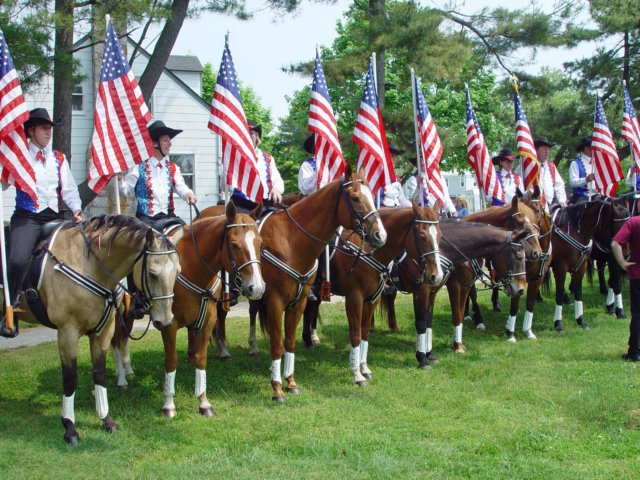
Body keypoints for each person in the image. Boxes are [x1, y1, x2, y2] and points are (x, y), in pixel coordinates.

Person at [1, 108, 84, 338]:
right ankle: (12, 305)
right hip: (27, 216)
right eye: (44, 128)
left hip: (53, 217)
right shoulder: (18, 157)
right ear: (32, 130)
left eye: (50, 128)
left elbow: (69, 189)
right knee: (17, 259)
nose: (49, 132)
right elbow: (4, 182)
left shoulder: (58, 158)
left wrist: (77, 209)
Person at [119, 120, 196, 231]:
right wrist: (120, 180)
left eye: (169, 141)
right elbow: (125, 190)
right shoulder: (138, 167)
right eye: (165, 140)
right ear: (154, 144)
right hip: (146, 219)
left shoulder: (173, 167)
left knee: (187, 235)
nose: (170, 144)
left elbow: (181, 187)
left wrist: (188, 193)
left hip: (169, 217)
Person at [230, 120, 284, 210]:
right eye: (245, 134)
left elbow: (277, 180)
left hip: (265, 204)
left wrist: (276, 189)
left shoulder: (267, 158)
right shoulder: (234, 157)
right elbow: (225, 185)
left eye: (251, 133)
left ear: (257, 137)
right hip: (241, 205)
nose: (248, 136)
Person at [611, 211, 640, 362]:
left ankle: (635, 352)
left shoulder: (634, 222)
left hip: (638, 275)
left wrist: (622, 262)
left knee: (638, 315)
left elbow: (615, 243)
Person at [534, 136, 567, 209]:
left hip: (551, 204)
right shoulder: (529, 167)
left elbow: (559, 185)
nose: (547, 151)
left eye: (548, 149)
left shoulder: (551, 166)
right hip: (535, 206)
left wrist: (562, 200)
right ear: (536, 150)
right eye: (544, 148)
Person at [379, 143, 411, 208]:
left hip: (396, 213)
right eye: (392, 156)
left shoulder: (396, 180)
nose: (394, 159)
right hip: (381, 214)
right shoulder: (375, 177)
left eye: (395, 156)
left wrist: (413, 207)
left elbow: (402, 201)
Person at [569, 136, 597, 203]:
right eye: (594, 148)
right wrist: (586, 179)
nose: (596, 150)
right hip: (582, 196)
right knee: (583, 207)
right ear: (587, 149)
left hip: (598, 195)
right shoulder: (575, 163)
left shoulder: (599, 163)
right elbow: (572, 182)